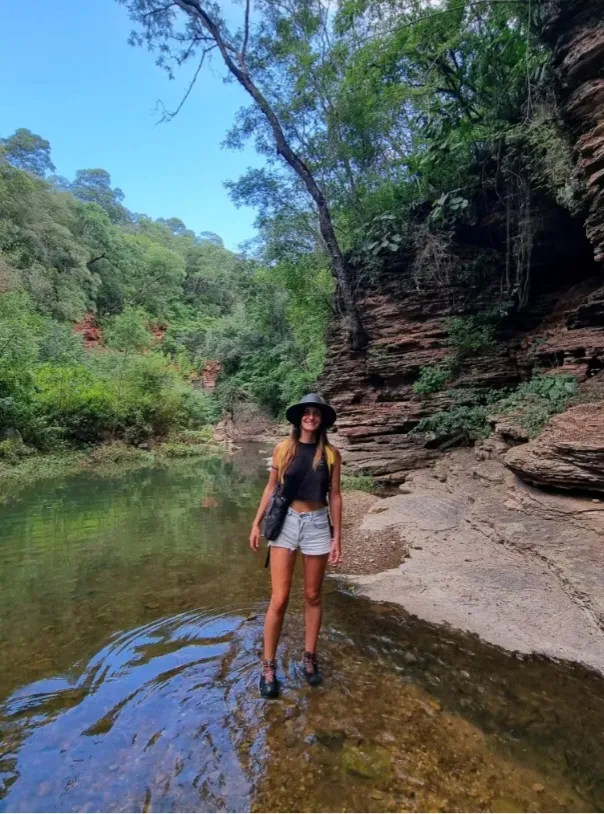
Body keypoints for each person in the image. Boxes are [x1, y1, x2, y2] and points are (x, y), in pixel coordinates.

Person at [249, 393, 342, 699]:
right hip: (286, 523)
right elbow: (271, 488)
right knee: (279, 599)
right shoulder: (283, 449)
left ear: (322, 420)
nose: (311, 417)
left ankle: (309, 657)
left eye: (316, 413)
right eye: (307, 412)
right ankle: (268, 666)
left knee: (313, 595)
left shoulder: (331, 454)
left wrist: (337, 537)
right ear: (299, 418)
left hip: (317, 525)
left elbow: (335, 496)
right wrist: (256, 523)